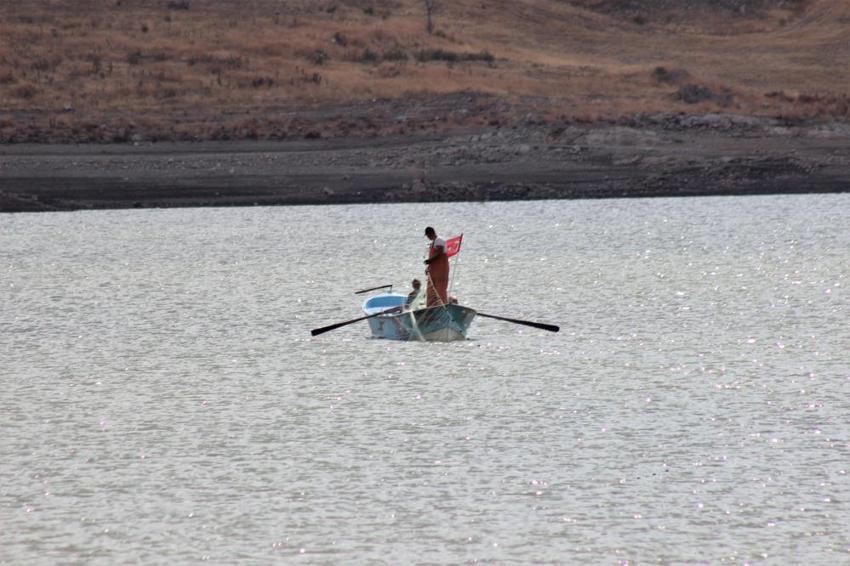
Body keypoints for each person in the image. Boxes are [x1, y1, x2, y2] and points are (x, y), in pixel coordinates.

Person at [423, 226, 449, 307]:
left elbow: (440, 252)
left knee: (440, 289)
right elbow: (433, 256)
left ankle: (443, 306)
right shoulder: (433, 243)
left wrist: (429, 260)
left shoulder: (439, 240)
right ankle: (431, 308)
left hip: (441, 270)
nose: (427, 237)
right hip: (434, 271)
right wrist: (428, 267)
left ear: (431, 233)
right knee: (431, 291)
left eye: (428, 235)